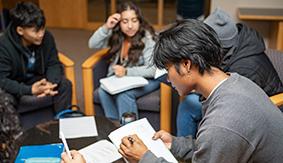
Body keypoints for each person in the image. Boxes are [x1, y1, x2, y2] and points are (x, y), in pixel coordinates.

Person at [61, 19, 283, 163]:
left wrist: (145, 158)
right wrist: (175, 144)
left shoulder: (224, 121)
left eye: (167, 69)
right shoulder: (235, 82)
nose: (167, 78)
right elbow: (220, 145)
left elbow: (222, 135)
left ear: (186, 64)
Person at [176, 8, 283, 137]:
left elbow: (230, 103)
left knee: (189, 104)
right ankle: (184, 146)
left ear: (217, 47)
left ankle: (186, 150)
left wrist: (197, 86)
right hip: (235, 100)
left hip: (262, 110)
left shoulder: (245, 68)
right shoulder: (234, 46)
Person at [88, 1, 159, 121]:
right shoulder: (118, 36)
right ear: (119, 23)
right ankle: (114, 127)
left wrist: (126, 71)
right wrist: (107, 26)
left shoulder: (147, 38)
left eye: (134, 21)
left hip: (148, 80)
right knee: (102, 91)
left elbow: (152, 70)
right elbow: (92, 44)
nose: (130, 26)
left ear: (140, 21)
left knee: (124, 94)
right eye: (125, 22)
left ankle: (130, 132)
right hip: (123, 80)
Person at [0, 2, 72, 120]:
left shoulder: (47, 37)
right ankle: (15, 136)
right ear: (20, 30)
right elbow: (2, 80)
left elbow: (53, 63)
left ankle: (63, 125)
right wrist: (29, 90)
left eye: (42, 29)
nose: (41, 34)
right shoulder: (4, 45)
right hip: (15, 82)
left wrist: (50, 83)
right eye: (36, 31)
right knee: (4, 100)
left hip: (38, 78)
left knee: (65, 85)